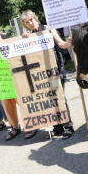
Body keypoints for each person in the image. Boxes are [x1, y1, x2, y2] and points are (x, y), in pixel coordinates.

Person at [20, 9, 74, 139]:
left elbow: (61, 44)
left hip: (56, 70)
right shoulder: (29, 35)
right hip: (41, 74)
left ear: (36, 18)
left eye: (31, 20)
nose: (30, 23)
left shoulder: (49, 29)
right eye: (27, 22)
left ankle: (68, 126)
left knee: (58, 97)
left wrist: (70, 42)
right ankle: (57, 126)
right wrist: (24, 40)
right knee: (48, 99)